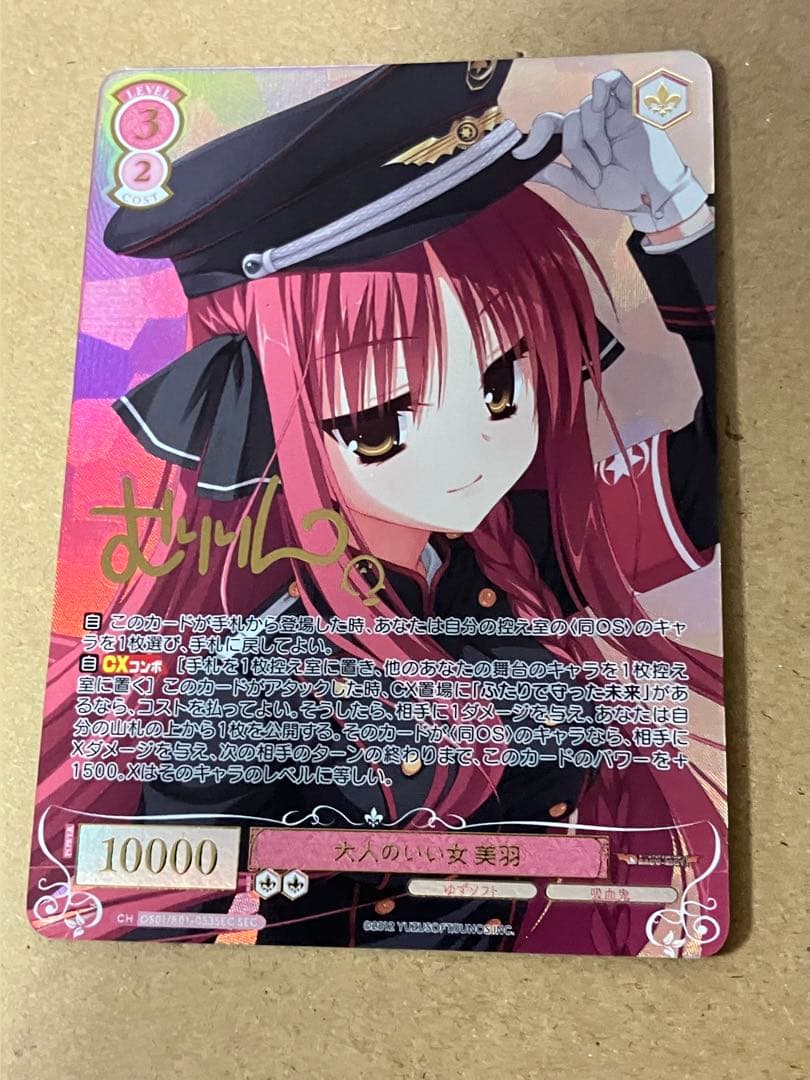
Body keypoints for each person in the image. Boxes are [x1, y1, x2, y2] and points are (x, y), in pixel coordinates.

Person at [36, 61, 725, 954]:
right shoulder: (257, 673)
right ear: (260, 409)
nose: (474, 451)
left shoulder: (530, 549)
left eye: (503, 384)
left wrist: (676, 220)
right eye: (378, 421)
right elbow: (148, 925)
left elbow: (726, 472)